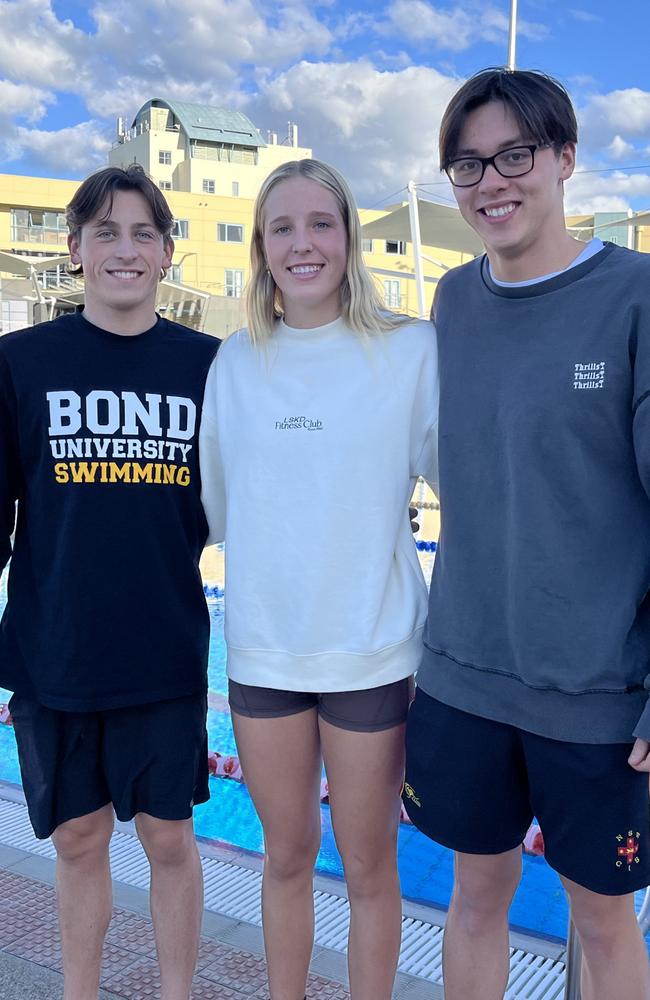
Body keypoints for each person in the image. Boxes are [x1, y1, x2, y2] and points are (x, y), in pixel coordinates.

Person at [403, 67, 650, 1000]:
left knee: (601, 917)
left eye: (515, 155)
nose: (491, 183)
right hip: (465, 677)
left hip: (594, 695)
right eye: (468, 167)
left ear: (565, 158)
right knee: (474, 896)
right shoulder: (455, 302)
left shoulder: (636, 299)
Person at [199, 158, 438, 1000]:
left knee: (371, 864)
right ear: (262, 249)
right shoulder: (234, 363)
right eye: (282, 228)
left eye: (321, 224)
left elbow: (464, 480)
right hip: (265, 651)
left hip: (371, 651)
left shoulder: (409, 352)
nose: (303, 244)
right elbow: (218, 507)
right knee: (287, 855)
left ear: (349, 238)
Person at [0, 164, 219, 1000]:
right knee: (79, 839)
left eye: (141, 234)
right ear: (75, 248)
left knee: (169, 837)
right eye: (105, 232)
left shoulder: (210, 367)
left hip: (163, 648)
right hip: (54, 649)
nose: (123, 249)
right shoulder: (20, 363)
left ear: (166, 253)